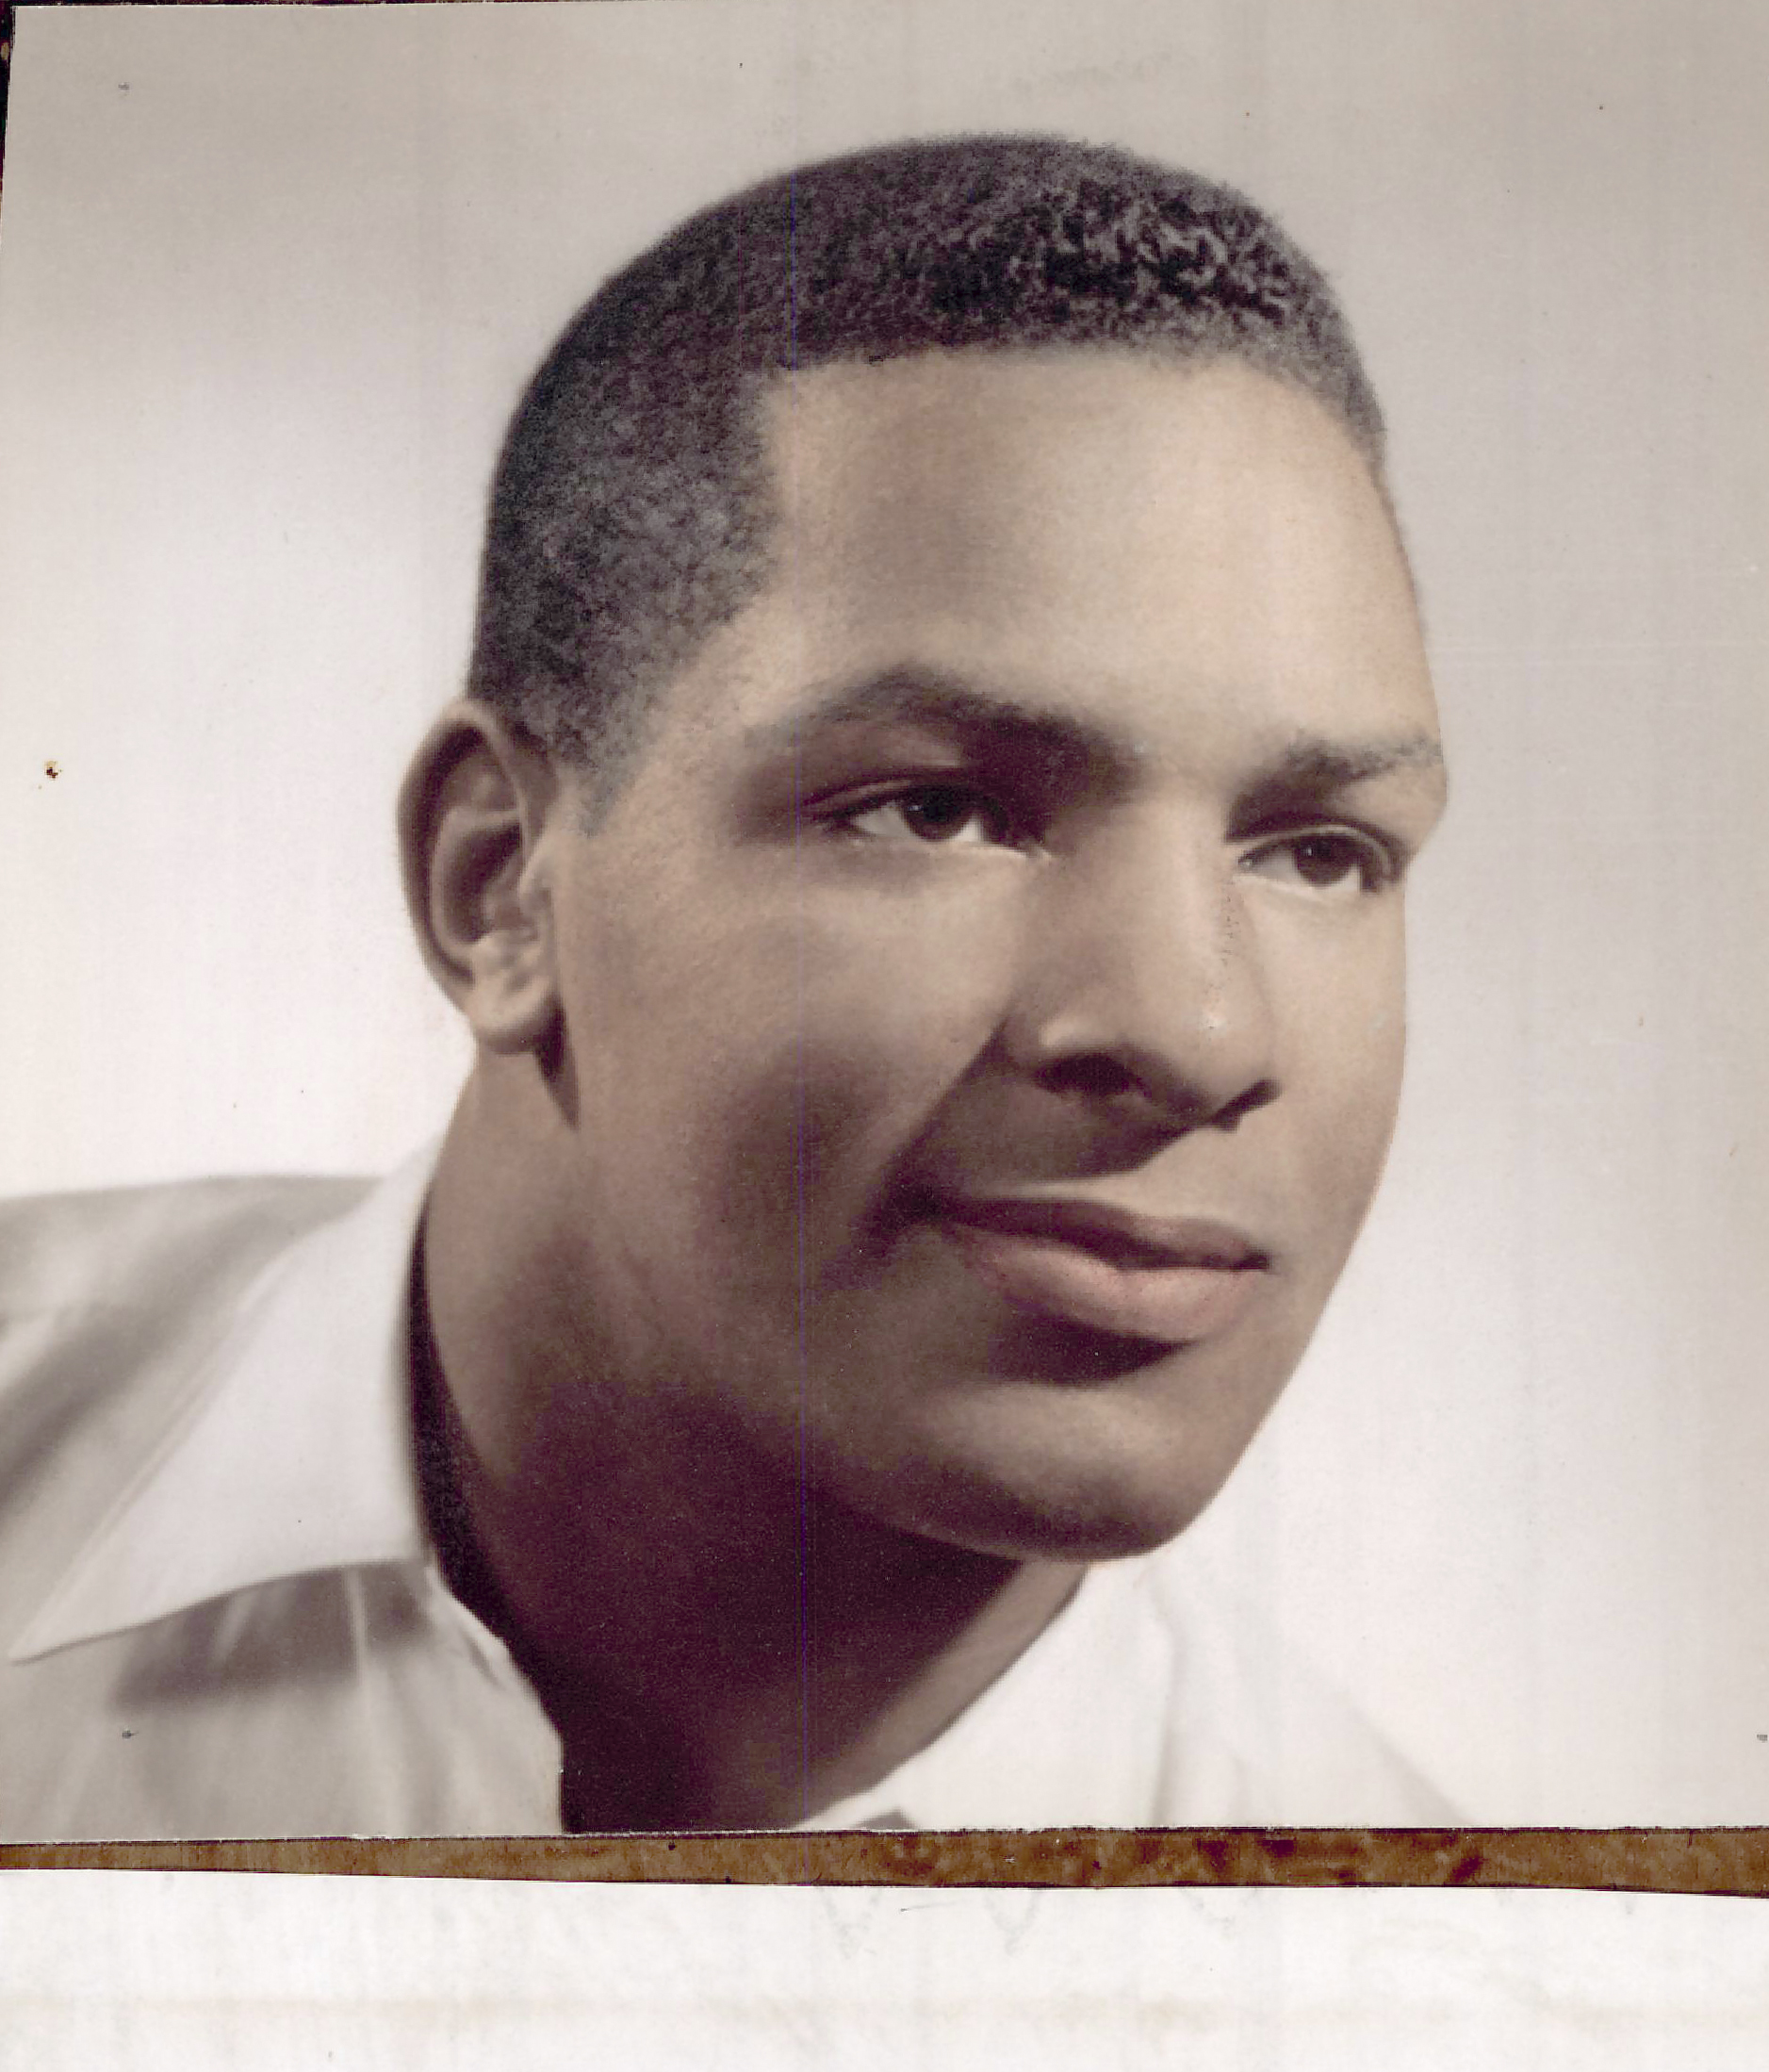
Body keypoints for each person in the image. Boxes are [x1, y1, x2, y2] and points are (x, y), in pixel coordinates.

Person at [0, 134, 1450, 1838]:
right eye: (938, 810)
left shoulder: (1409, 1950)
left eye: (1316, 850)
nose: (1198, 1032)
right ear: (500, 886)